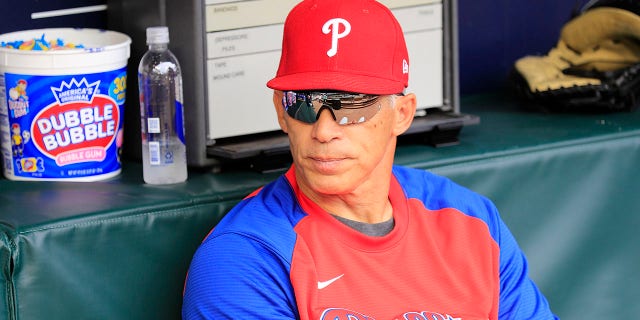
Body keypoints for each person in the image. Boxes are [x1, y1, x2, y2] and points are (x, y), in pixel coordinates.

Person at [182, 0, 558, 319]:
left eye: (352, 106)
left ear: (403, 114)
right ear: (282, 112)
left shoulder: (471, 220)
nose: (324, 131)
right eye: (305, 104)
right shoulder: (243, 257)